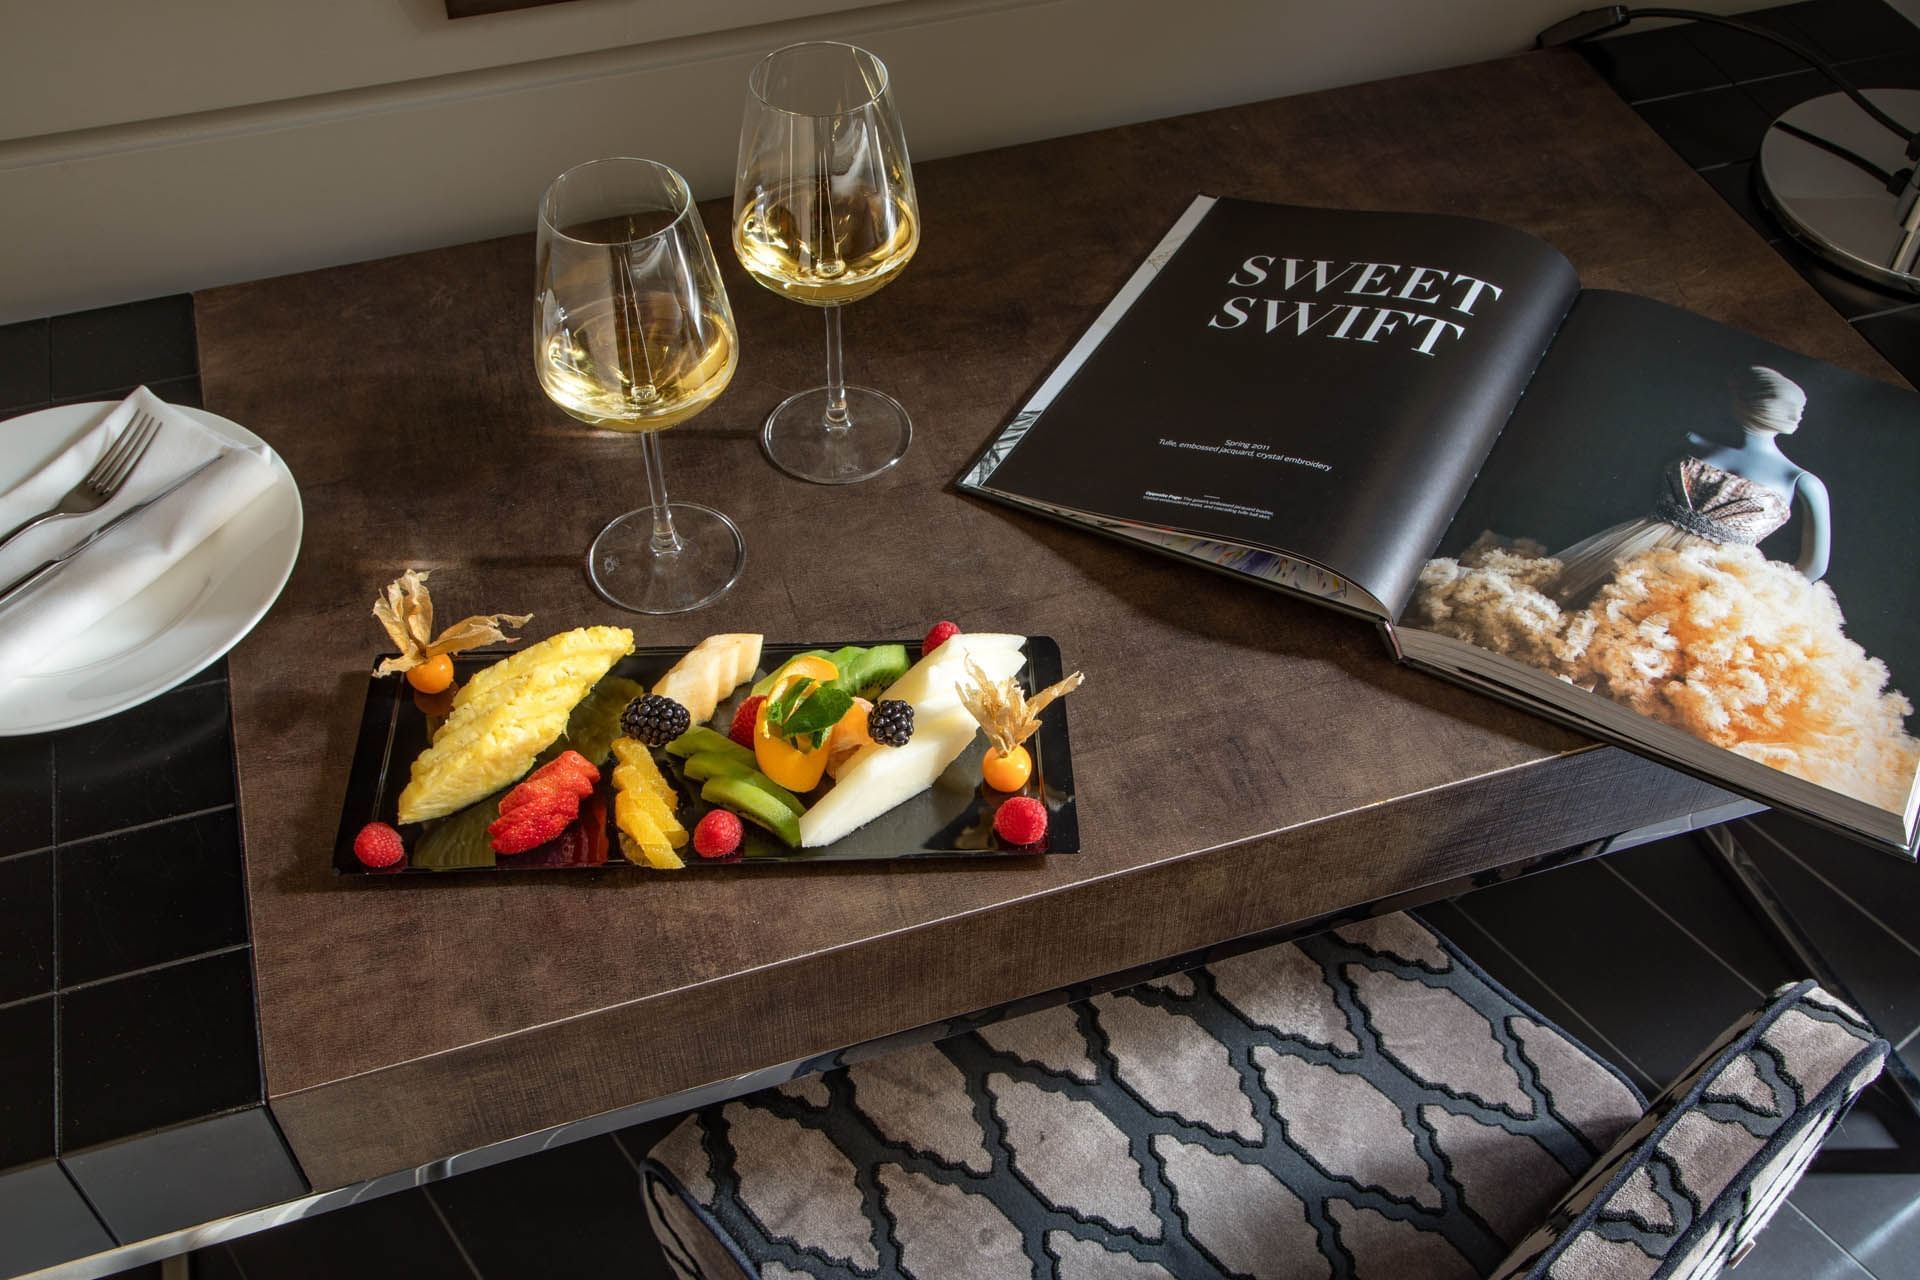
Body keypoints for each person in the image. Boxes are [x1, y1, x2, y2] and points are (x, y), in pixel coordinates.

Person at [1551, 367, 1830, 605]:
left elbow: (1814, 566)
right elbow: (1813, 566)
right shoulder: (1690, 441)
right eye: (1793, 407)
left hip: (1717, 575)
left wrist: (1766, 598)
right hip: (1643, 549)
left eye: (1800, 408)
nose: (1798, 415)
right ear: (1759, 404)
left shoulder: (1801, 480)